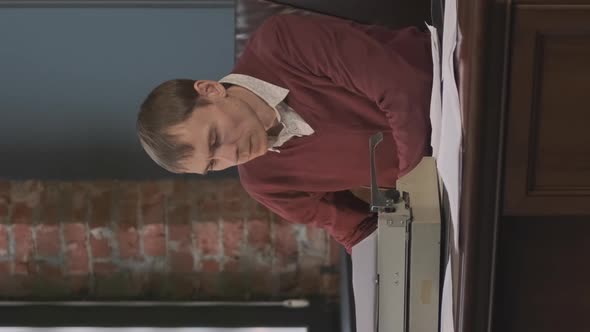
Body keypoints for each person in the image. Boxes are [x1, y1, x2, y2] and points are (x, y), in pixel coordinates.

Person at [137, 14, 433, 253]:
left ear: (211, 90)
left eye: (214, 139)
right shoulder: (264, 182)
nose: (231, 155)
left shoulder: (280, 43)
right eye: (213, 164)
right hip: (449, 184)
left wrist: (418, 186)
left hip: (461, 88)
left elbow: (404, 86)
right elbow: (359, 231)